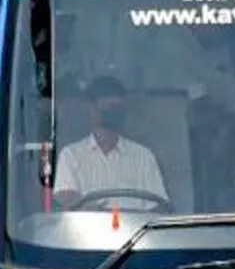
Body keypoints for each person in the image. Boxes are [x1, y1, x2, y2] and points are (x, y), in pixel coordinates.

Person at [54, 76, 169, 211]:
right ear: (92, 109)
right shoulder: (71, 155)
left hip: (138, 230)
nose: (115, 112)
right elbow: (68, 202)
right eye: (109, 107)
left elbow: (159, 208)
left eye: (118, 107)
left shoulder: (143, 156)